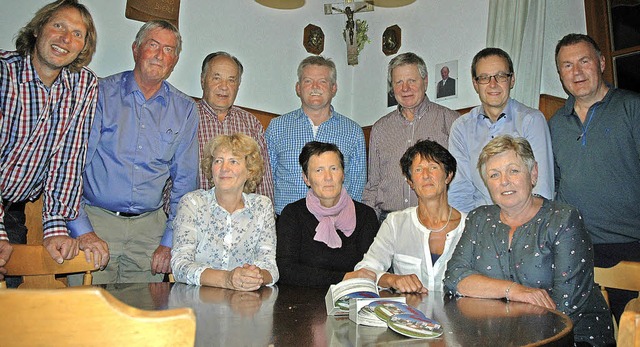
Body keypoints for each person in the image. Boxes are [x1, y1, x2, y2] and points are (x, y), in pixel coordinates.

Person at [444, 135, 614, 346]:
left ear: (533, 174)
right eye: (494, 175)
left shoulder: (563, 219)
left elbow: (564, 306)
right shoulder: (479, 218)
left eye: (513, 171)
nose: (504, 181)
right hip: (498, 337)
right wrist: (513, 290)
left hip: (569, 338)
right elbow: (454, 278)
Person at [66, 20, 199, 284]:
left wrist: (169, 241)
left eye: (169, 50)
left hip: (149, 231)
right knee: (84, 318)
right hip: (97, 221)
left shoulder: (184, 109)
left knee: (141, 319)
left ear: (174, 61)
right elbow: (71, 166)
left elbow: (185, 183)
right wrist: (81, 229)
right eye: (153, 45)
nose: (161, 55)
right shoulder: (100, 94)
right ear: (135, 49)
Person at [0, 0, 99, 284]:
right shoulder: (4, 74)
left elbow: (68, 159)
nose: (66, 39)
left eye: (77, 34)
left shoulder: (83, 86)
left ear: (83, 47)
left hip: (14, 212)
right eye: (58, 26)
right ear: (37, 29)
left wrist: (55, 227)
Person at [549, 33, 640, 323]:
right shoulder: (554, 124)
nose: (576, 72)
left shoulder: (631, 107)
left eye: (584, 61)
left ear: (601, 63)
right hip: (577, 249)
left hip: (631, 245)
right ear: (560, 74)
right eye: (567, 65)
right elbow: (556, 184)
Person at [346, 139, 465, 293]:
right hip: (409, 315)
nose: (426, 175)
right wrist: (393, 279)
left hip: (458, 315)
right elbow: (364, 269)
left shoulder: (470, 225)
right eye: (418, 170)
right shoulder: (395, 223)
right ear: (410, 182)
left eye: (433, 167)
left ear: (448, 175)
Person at [448, 48, 554, 213]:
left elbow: (541, 190)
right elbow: (459, 193)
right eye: (484, 78)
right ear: (475, 84)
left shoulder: (531, 121)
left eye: (501, 76)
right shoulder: (461, 127)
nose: (492, 84)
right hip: (480, 225)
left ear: (512, 80)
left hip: (525, 224)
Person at [171, 133, 278, 290]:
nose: (224, 168)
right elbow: (180, 266)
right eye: (218, 161)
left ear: (250, 171)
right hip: (198, 304)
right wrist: (227, 279)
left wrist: (254, 277)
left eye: (233, 161)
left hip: (245, 305)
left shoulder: (262, 206)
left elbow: (270, 268)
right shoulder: (192, 203)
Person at [363, 52, 459, 221]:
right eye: (398, 82)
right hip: (389, 223)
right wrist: (367, 226)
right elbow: (373, 186)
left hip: (437, 221)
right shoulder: (380, 129)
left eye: (411, 81)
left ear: (425, 81)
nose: (405, 88)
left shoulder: (451, 122)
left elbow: (462, 181)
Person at [266, 56, 366, 215]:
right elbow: (266, 180)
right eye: (307, 81)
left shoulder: (352, 131)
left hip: (337, 223)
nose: (315, 87)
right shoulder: (277, 127)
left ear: (334, 88)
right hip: (286, 223)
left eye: (323, 81)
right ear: (298, 88)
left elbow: (357, 185)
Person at [276, 141, 378, 287]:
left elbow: (371, 270)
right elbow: (285, 270)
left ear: (343, 174)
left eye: (334, 168)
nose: (328, 177)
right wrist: (344, 278)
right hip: (302, 302)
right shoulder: (292, 214)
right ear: (306, 178)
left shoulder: (366, 215)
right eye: (319, 170)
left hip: (353, 298)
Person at [197, 51, 273, 201]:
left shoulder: (251, 123)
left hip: (243, 218)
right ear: (202, 80)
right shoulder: (185, 117)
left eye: (231, 80)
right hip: (194, 215)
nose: (224, 87)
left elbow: (263, 180)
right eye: (216, 78)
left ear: (238, 86)